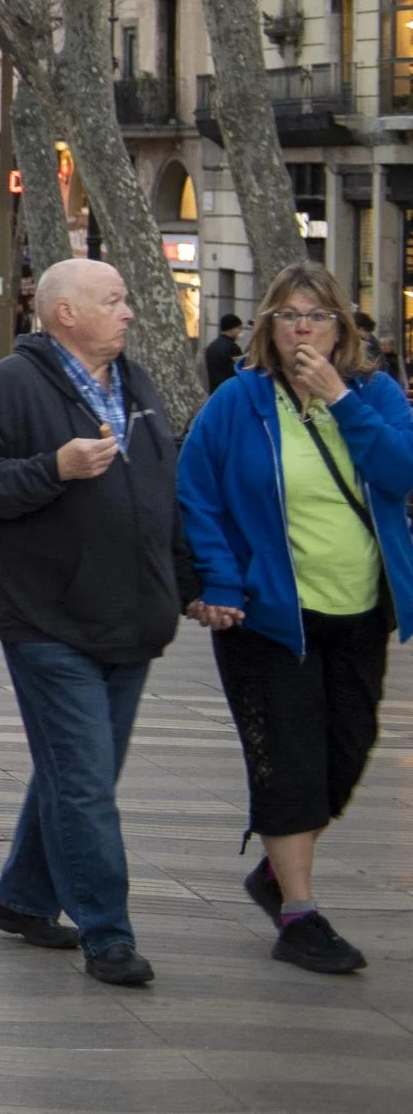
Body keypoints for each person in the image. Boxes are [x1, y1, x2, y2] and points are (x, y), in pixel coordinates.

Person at [0, 258, 196, 988]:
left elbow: (162, 493)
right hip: (46, 618)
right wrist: (53, 467)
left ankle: (24, 897)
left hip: (132, 618)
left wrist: (189, 582)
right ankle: (107, 933)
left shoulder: (137, 385)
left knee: (77, 770)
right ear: (65, 314)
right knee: (84, 779)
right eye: (112, 300)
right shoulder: (16, 384)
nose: (128, 312)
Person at [178, 263, 413, 976]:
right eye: (288, 315)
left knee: (346, 750)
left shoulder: (375, 395)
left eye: (316, 315)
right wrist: (219, 580)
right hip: (268, 618)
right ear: (266, 329)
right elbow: (197, 493)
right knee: (289, 760)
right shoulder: (237, 402)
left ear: (343, 327)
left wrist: (340, 399)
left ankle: (278, 870)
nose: (302, 327)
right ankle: (300, 913)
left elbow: (401, 473)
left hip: (360, 612)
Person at [203, 311, 244, 393]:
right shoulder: (233, 348)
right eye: (238, 328)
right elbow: (240, 370)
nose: (240, 332)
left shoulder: (211, 346)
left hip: (215, 391)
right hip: (230, 391)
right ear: (232, 329)